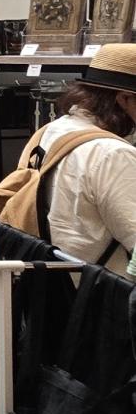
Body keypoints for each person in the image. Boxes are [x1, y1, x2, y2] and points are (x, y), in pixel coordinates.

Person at [25, 47, 136, 269]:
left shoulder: (52, 130)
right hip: (106, 284)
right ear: (124, 99)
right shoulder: (113, 154)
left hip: (61, 278)